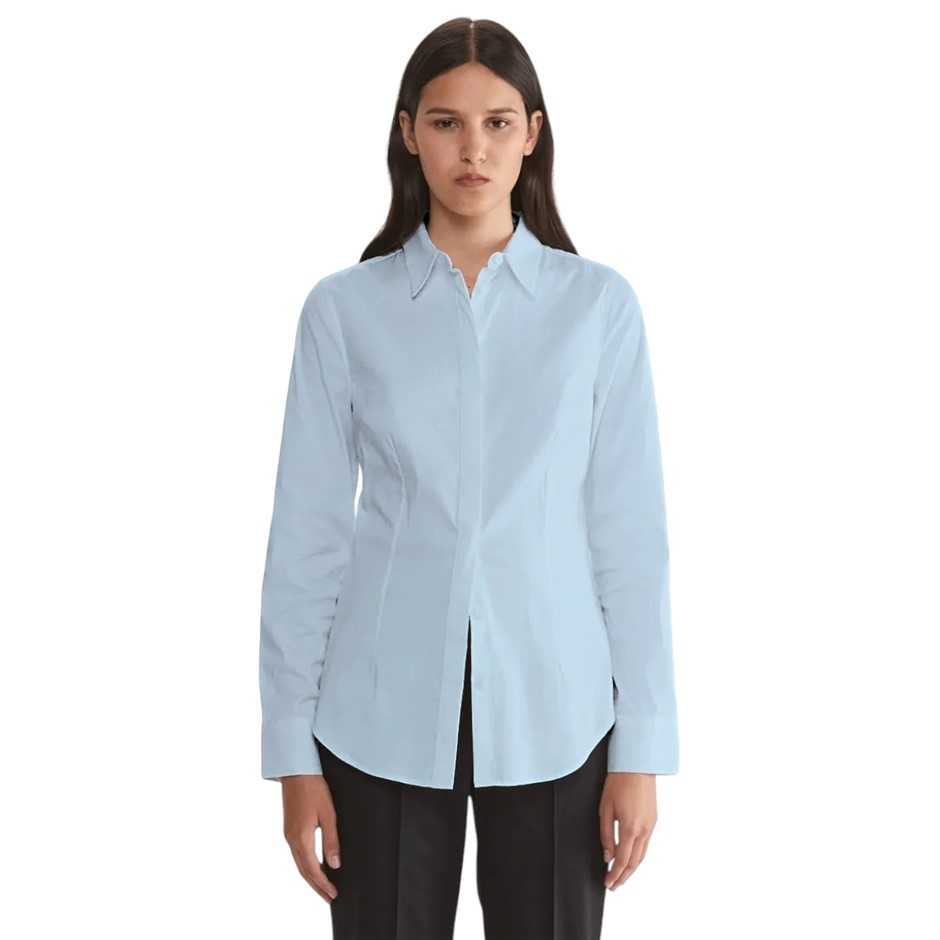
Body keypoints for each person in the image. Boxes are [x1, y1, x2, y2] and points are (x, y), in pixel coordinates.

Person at [258, 16, 680, 940]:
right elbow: (307, 541)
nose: (473, 149)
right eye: (447, 122)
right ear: (408, 132)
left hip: (558, 713)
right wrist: (292, 754)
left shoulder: (598, 308)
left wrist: (640, 748)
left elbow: (629, 539)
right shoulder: (343, 311)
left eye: (497, 123)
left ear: (533, 133)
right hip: (377, 714)